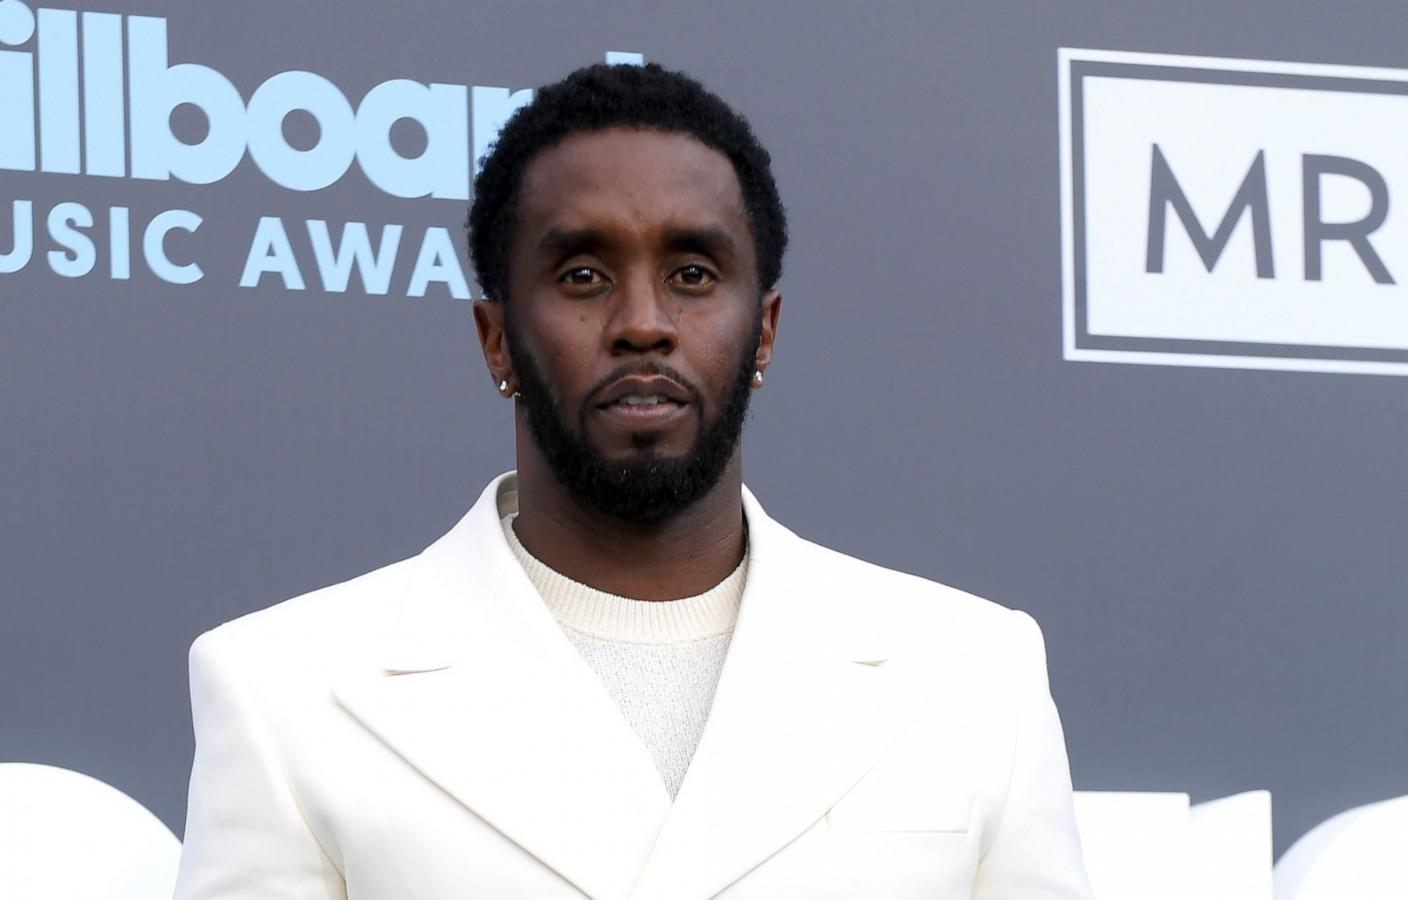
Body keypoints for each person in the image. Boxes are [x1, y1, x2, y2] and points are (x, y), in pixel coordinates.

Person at [171, 62, 1093, 900]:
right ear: (497, 339)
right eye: (582, 275)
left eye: (693, 273)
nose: (643, 323)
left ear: (763, 330)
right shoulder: (283, 690)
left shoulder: (974, 676)